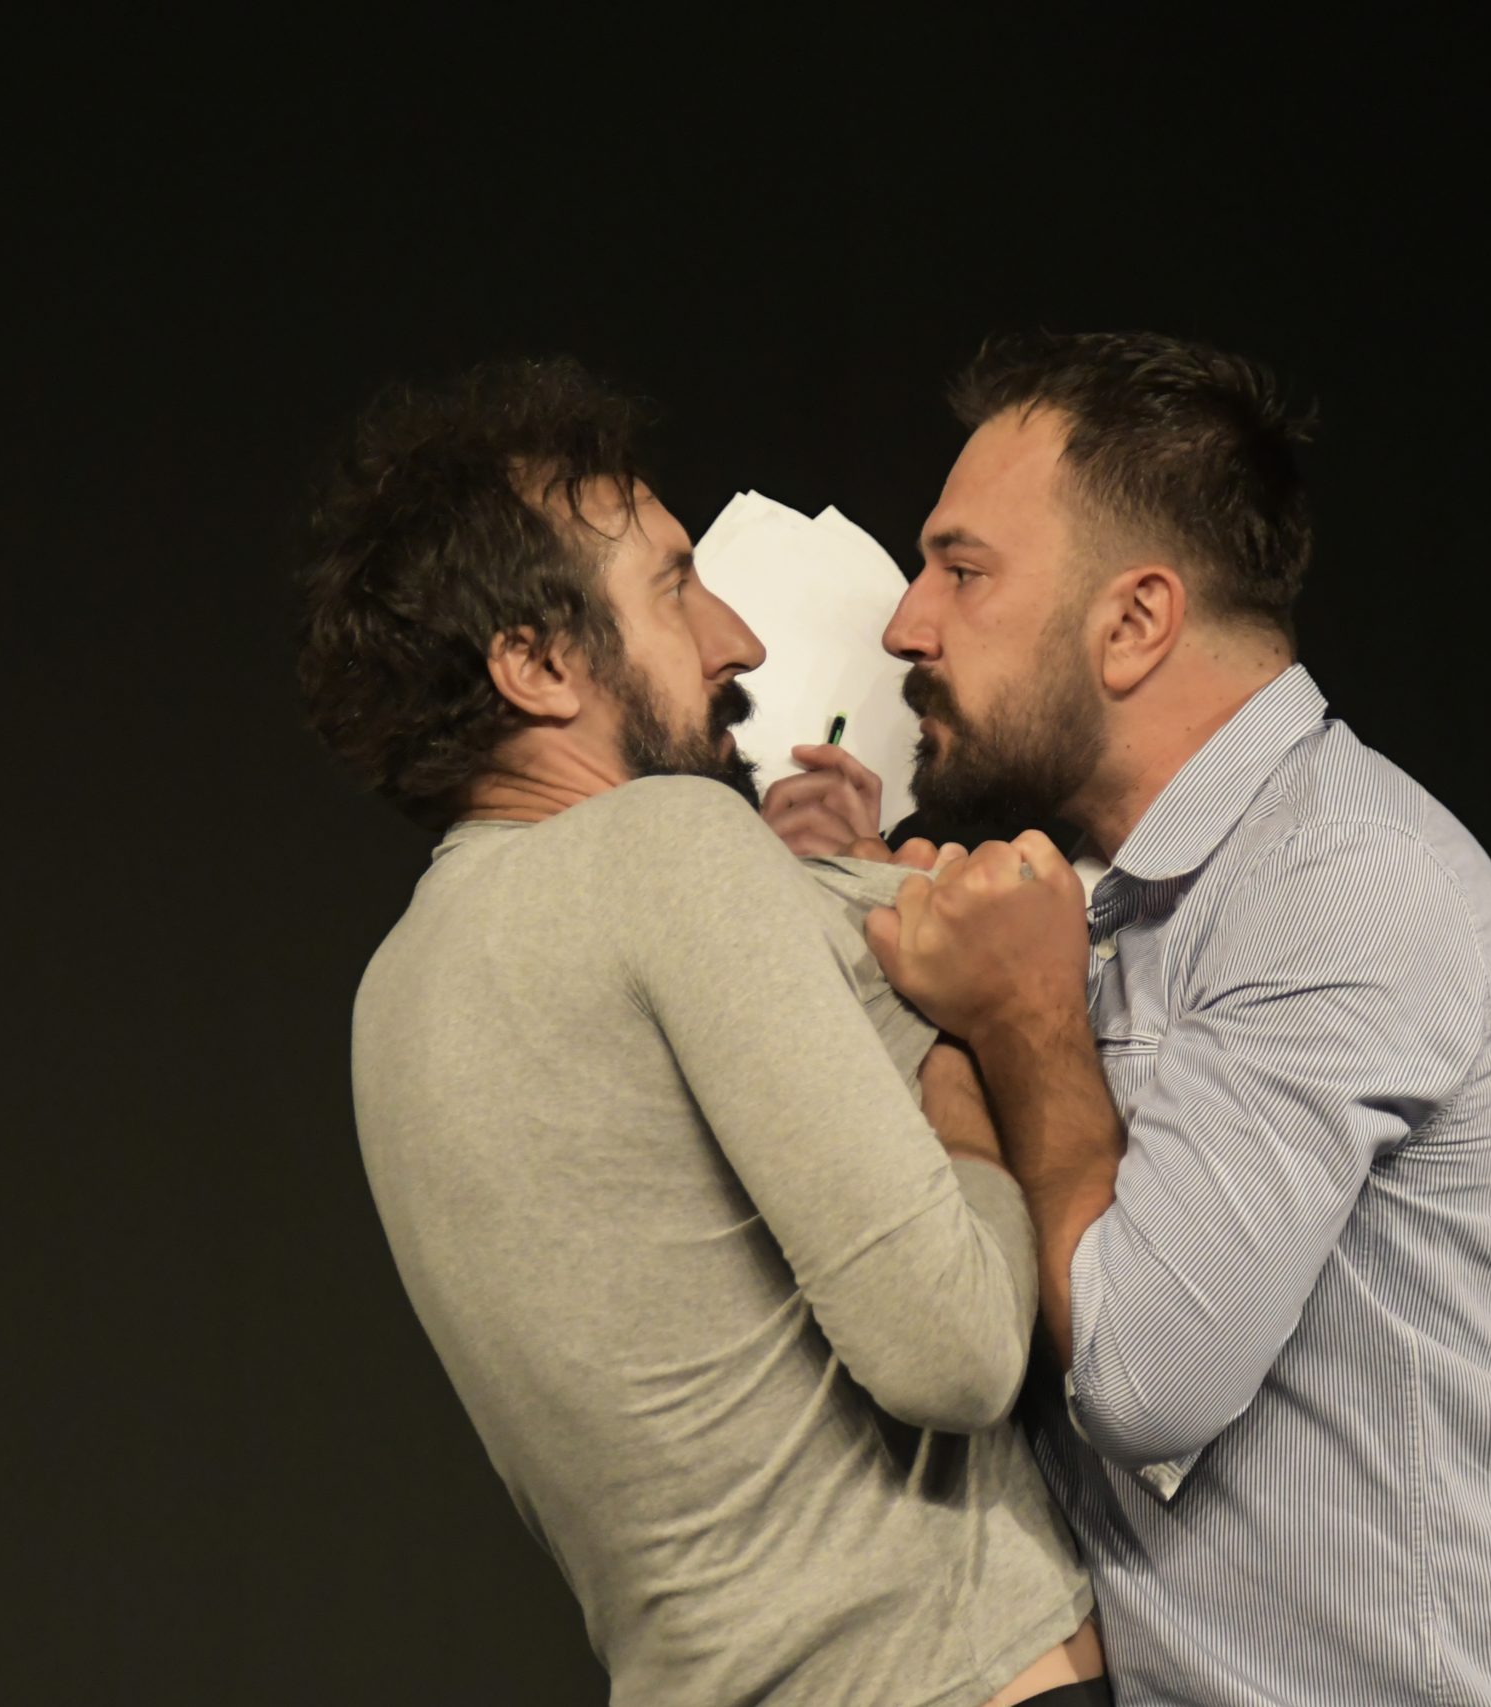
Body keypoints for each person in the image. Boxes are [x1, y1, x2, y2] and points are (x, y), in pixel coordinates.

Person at [858, 332, 1491, 1705]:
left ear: (1135, 622)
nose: (905, 622)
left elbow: (1144, 1379)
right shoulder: (1090, 907)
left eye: (963, 569)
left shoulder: (1342, 879)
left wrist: (1027, 1026)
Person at [294, 358, 1105, 1707]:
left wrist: (840, 893)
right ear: (535, 664)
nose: (740, 642)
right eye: (676, 586)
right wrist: (969, 1056)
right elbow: (958, 1354)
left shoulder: (396, 990)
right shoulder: (669, 845)